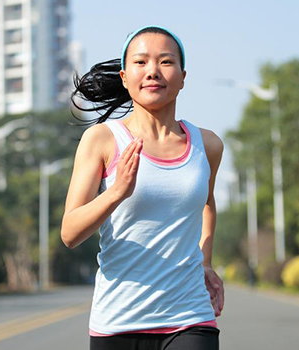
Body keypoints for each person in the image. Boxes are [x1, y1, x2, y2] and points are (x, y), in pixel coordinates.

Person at [61, 25, 225, 350]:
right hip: (117, 322)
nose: (153, 71)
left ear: (182, 76)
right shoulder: (102, 140)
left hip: (189, 315)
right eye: (140, 63)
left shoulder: (207, 145)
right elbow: (70, 232)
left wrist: (205, 261)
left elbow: (207, 203)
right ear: (124, 77)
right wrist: (116, 192)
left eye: (165, 62)